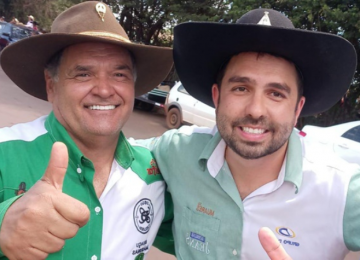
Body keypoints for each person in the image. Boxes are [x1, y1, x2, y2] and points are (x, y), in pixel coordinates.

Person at [140, 8, 360, 259]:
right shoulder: (176, 151)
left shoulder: (343, 190)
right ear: (217, 97)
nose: (256, 110)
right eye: (241, 88)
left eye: (276, 93)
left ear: (297, 109)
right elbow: (107, 157)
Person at [0, 1, 174, 259]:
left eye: (119, 75)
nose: (104, 90)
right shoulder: (5, 153)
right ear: (52, 85)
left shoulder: (153, 172)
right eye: (83, 75)